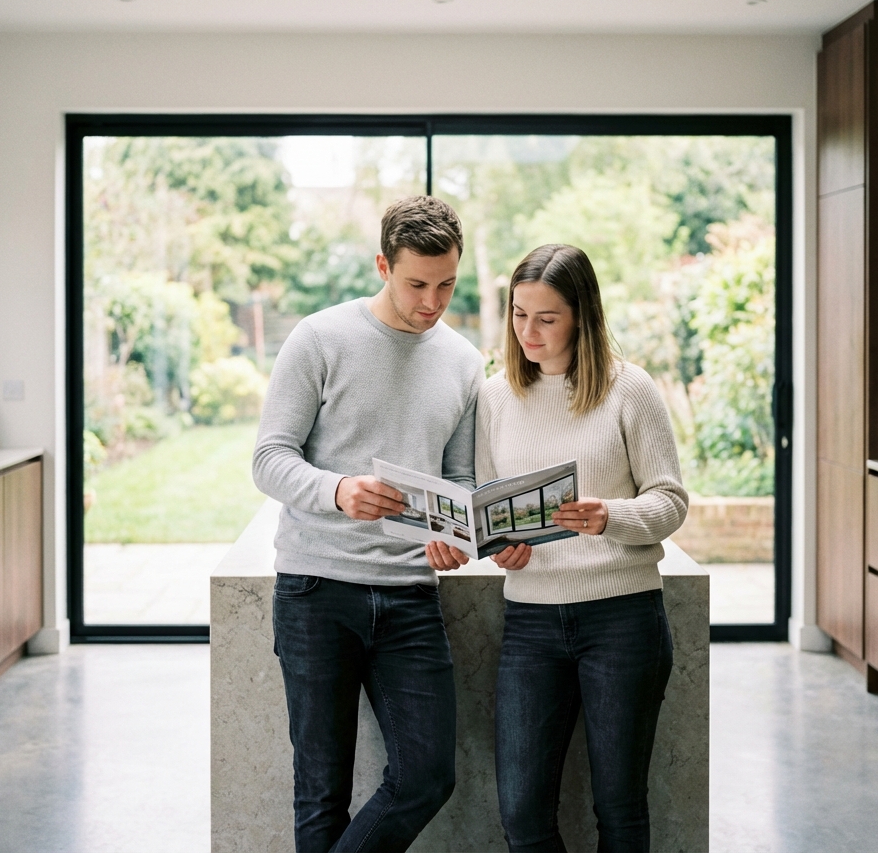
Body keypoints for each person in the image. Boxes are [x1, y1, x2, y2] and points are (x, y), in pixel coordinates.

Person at [429, 243, 688, 852]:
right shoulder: (495, 397)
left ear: (582, 316)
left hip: (623, 618)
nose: (528, 332)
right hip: (531, 623)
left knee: (620, 807)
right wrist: (500, 548)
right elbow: (493, 502)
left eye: (546, 318)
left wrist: (609, 517)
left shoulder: (631, 390)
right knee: (521, 813)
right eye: (519, 315)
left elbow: (671, 503)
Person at [252, 196, 483, 852]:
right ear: (383, 265)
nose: (432, 301)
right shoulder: (320, 338)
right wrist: (338, 490)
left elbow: (459, 479)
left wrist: (454, 535)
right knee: (320, 790)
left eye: (446, 284)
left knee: (428, 775)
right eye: (416, 283)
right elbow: (269, 459)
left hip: (411, 595)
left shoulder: (464, 362)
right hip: (315, 592)